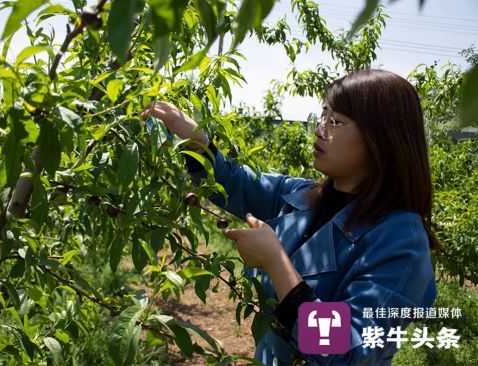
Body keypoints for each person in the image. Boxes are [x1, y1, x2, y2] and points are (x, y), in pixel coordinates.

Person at [143, 69, 439, 365]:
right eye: (323, 115)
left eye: (336, 121)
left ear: (381, 138)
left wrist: (276, 262)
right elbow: (232, 181)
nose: (321, 129)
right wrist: (197, 142)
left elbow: (349, 352)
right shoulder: (301, 196)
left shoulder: (403, 242)